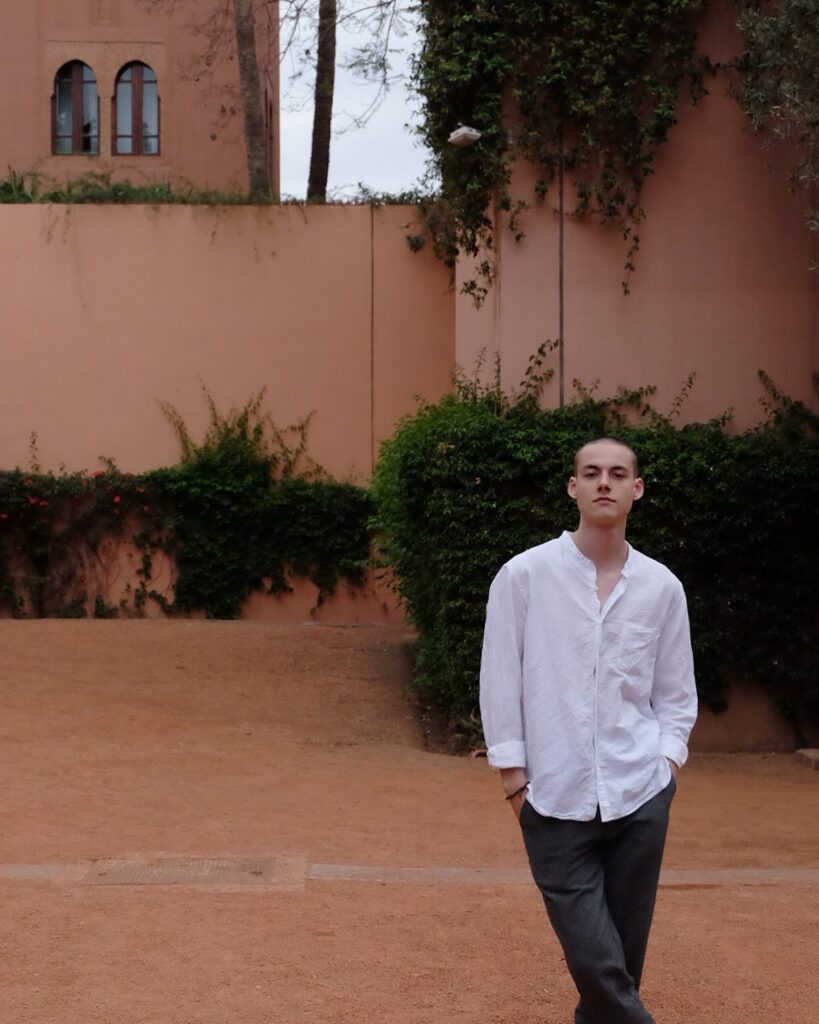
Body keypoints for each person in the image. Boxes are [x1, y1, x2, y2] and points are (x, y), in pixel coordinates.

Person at [479, 437, 697, 1024]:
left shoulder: (662, 588)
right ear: (573, 487)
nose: (605, 482)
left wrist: (666, 765)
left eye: (618, 473)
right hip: (552, 800)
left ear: (636, 489)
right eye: (592, 472)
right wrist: (515, 782)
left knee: (619, 969)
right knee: (598, 964)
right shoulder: (523, 577)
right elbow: (500, 681)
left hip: (640, 795)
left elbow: (676, 694)